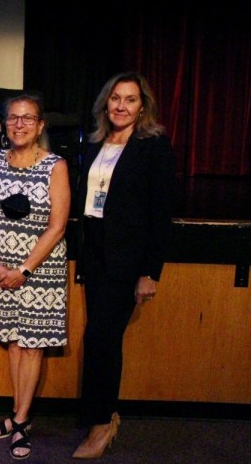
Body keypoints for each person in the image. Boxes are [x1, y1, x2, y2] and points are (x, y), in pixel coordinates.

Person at [72, 72, 176, 459]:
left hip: (126, 258)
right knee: (102, 338)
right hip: (95, 251)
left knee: (100, 338)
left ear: (142, 106)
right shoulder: (97, 141)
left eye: (130, 100)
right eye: (115, 98)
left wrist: (150, 271)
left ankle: (102, 423)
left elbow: (160, 213)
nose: (121, 106)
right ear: (106, 102)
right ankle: (100, 415)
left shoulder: (154, 146)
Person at [0, 94, 71, 460]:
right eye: (13, 118)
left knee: (32, 344)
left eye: (28, 118)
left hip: (39, 270)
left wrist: (24, 270)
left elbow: (58, 226)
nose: (19, 124)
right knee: (13, 342)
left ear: (41, 125)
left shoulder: (55, 166)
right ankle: (21, 415)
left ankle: (19, 420)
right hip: (0, 268)